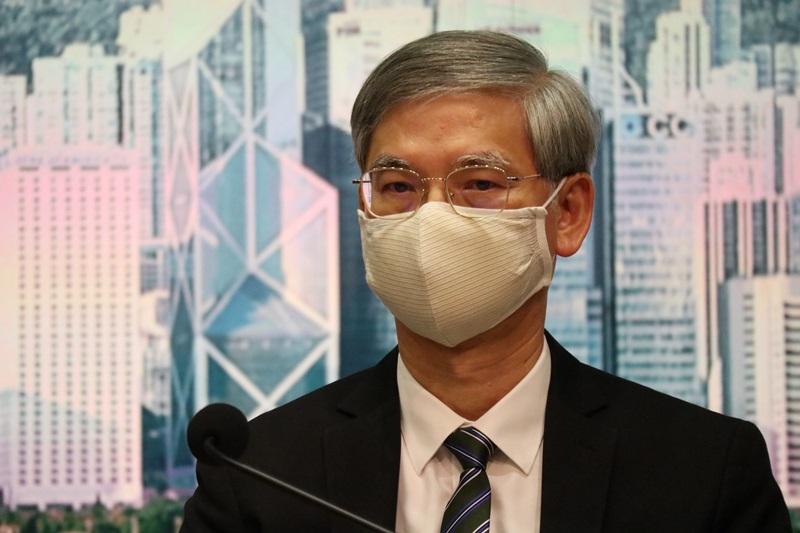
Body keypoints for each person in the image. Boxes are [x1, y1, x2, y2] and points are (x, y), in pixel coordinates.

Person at [181, 30, 791, 532]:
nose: (431, 218)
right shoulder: (258, 475)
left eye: (479, 183)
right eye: (398, 186)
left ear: (568, 212)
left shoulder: (702, 473)